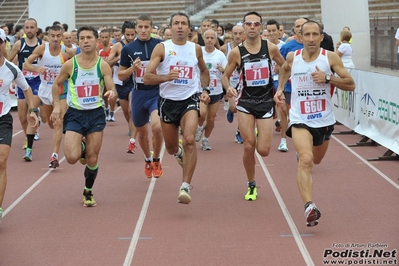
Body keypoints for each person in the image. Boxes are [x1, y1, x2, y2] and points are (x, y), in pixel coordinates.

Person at [274, 20, 355, 227]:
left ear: (321, 37)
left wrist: (328, 78)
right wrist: (280, 89)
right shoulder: (294, 57)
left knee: (316, 160)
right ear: (299, 37)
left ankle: (304, 153)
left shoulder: (330, 58)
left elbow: (350, 84)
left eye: (314, 35)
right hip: (300, 118)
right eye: (306, 35)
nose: (310, 39)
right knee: (306, 160)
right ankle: (309, 206)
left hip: (324, 120)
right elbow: (283, 69)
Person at [143, 11, 210, 204]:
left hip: (189, 99)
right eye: (176, 23)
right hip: (167, 102)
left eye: (183, 23)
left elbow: (204, 71)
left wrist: (205, 89)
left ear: (189, 28)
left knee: (189, 139)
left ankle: (185, 186)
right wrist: (165, 77)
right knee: (171, 148)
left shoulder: (196, 48)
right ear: (170, 28)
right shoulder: (162, 48)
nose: (180, 26)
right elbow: (147, 77)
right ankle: (179, 153)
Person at [50, 25, 118, 207]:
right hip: (75, 114)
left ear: (96, 41)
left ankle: (88, 191)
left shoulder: (102, 66)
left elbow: (111, 86)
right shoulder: (70, 64)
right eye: (82, 38)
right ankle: (81, 145)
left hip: (95, 114)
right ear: (78, 41)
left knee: (92, 157)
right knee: (72, 158)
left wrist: (112, 93)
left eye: (89, 37)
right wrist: (57, 105)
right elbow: (56, 85)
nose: (86, 41)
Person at [222, 11, 285, 201]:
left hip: (265, 101)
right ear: (243, 27)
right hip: (245, 102)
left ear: (261, 27)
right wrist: (229, 88)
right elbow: (225, 76)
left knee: (264, 151)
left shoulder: (271, 48)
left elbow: (284, 67)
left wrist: (280, 88)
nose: (252, 27)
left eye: (256, 24)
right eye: (248, 23)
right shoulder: (236, 52)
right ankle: (251, 183)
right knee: (249, 146)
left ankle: (258, 132)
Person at [0, 28, 39, 223]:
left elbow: (27, 89)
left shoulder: (11, 69)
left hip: (3, 118)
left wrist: (33, 111)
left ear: (3, 44)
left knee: (1, 162)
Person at [118, 14, 164, 178]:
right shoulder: (128, 49)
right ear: (136, 28)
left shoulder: (160, 45)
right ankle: (147, 159)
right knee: (142, 133)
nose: (143, 30)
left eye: (147, 27)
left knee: (157, 127)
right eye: (140, 27)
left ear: (152, 28)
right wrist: (132, 69)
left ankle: (157, 158)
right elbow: (121, 76)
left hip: (157, 93)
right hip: (138, 94)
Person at [23, 24, 75, 168]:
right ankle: (41, 117)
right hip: (45, 90)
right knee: (49, 122)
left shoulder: (66, 52)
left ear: (62, 37)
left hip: (61, 91)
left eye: (59, 36)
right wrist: (36, 68)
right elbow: (26, 64)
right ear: (48, 36)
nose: (56, 39)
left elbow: (79, 64)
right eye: (53, 36)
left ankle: (54, 156)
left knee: (58, 122)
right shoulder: (42, 49)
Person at [7, 18, 43, 160]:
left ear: (36, 29)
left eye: (31, 27)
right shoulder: (19, 44)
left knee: (30, 114)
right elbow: (9, 61)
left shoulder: (42, 45)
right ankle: (29, 135)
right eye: (26, 27)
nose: (29, 30)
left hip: (36, 82)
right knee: (22, 117)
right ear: (24, 30)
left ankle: (29, 147)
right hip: (22, 82)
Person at [107, 21, 137, 153]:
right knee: (126, 112)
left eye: (132, 34)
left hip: (134, 82)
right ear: (124, 33)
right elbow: (108, 63)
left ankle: (132, 141)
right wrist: (119, 57)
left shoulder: (138, 45)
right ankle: (131, 127)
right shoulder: (118, 46)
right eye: (128, 34)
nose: (130, 37)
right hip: (120, 82)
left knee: (131, 110)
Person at [277, 17, 307, 152]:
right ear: (294, 29)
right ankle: (283, 140)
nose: (300, 28)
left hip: (307, 88)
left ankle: (302, 146)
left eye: (303, 25)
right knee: (284, 112)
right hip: (289, 87)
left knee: (302, 118)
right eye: (297, 26)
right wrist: (280, 88)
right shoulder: (286, 47)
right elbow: (280, 68)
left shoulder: (314, 46)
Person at [195, 29, 227, 150]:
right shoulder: (199, 52)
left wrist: (222, 69)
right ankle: (199, 127)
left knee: (211, 118)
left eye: (211, 38)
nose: (209, 40)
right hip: (201, 89)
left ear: (215, 40)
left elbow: (227, 70)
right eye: (207, 37)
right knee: (202, 113)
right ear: (203, 39)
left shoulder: (220, 54)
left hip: (216, 90)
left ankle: (205, 139)